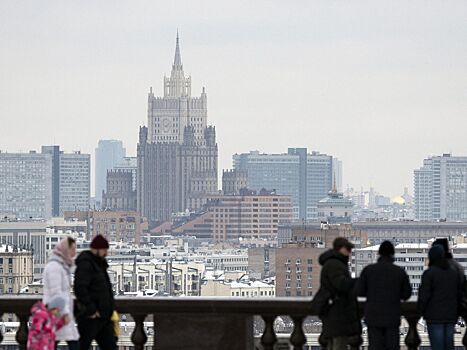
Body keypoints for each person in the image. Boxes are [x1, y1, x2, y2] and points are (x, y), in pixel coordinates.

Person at [357, 241, 412, 350]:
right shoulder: (399, 272)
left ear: (379, 253)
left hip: (373, 316)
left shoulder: (369, 270)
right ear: (392, 254)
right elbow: (407, 294)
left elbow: (359, 291)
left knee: (375, 346)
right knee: (392, 346)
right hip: (392, 316)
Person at [74, 235, 117, 350]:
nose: (106, 253)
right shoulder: (86, 264)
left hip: (103, 317)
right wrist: (91, 309)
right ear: (97, 249)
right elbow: (80, 288)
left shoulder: (99, 264)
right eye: (104, 250)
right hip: (91, 317)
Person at [319, 237, 361, 350]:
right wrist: (358, 282)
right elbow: (341, 284)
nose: (350, 252)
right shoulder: (335, 264)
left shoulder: (333, 263)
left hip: (334, 314)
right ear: (341, 249)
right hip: (338, 315)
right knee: (339, 344)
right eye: (348, 249)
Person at [418, 245, 462, 350]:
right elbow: (459, 294)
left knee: (437, 346)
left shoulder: (429, 273)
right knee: (449, 345)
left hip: (434, 317)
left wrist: (420, 311)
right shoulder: (453, 273)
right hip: (451, 316)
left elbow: (424, 296)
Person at [43, 237, 80, 350]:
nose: (74, 252)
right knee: (73, 343)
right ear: (65, 249)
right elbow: (56, 293)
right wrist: (65, 314)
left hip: (59, 313)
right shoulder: (55, 267)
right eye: (72, 249)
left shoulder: (61, 265)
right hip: (58, 314)